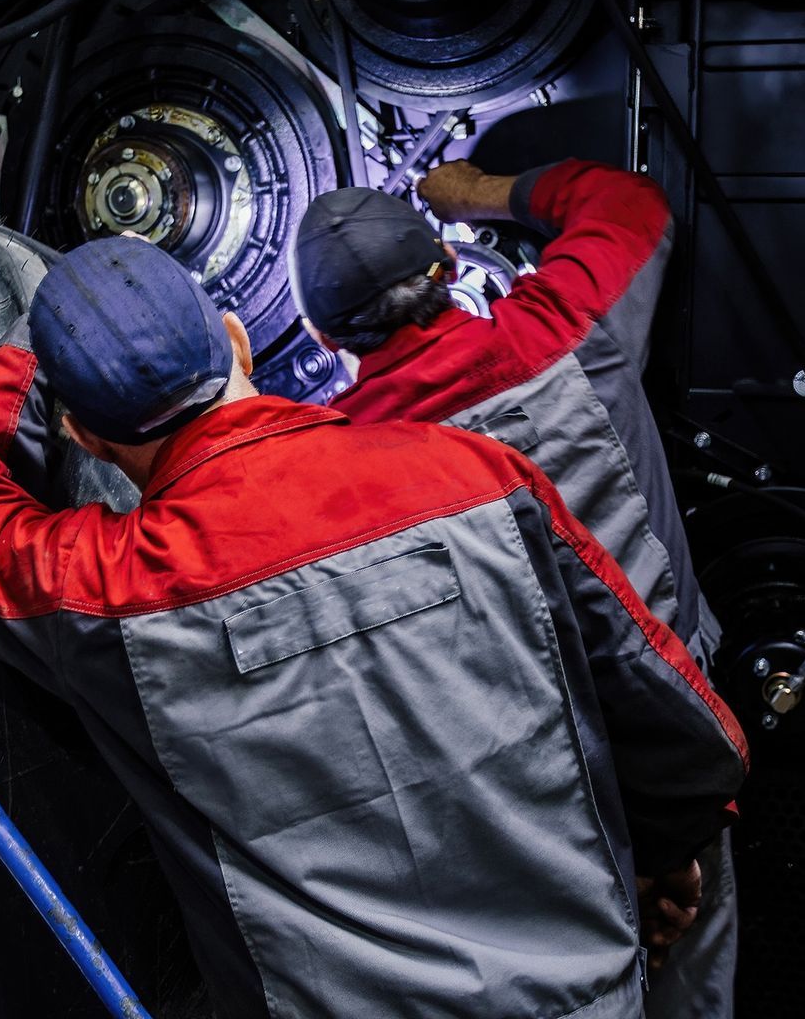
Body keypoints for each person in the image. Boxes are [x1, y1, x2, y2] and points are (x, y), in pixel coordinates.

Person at [0, 235, 747, 1018]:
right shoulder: (478, 475)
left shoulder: (108, 590)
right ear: (238, 339)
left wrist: (31, 340)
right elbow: (679, 727)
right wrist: (663, 858)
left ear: (84, 440)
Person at [289, 157, 737, 1016]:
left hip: (517, 775)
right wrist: (484, 192)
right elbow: (630, 204)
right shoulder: (564, 325)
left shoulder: (340, 460)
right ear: (448, 270)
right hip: (681, 722)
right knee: (692, 966)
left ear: (326, 341)